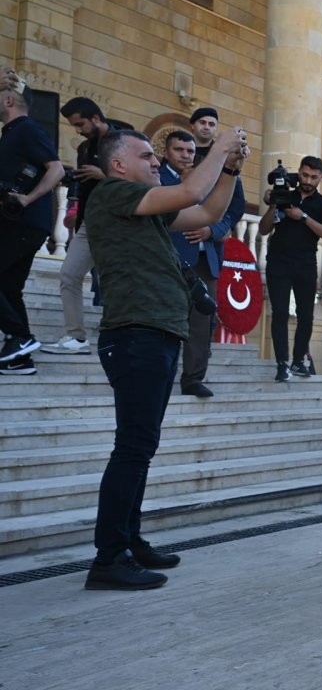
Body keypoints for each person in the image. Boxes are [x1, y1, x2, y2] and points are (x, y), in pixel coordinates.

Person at [82, 126, 246, 590]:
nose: (156, 162)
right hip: (135, 335)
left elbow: (209, 208)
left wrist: (231, 167)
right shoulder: (112, 193)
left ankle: (129, 540)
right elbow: (193, 187)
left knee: (140, 447)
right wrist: (220, 147)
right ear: (118, 165)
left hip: (153, 335)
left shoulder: (145, 210)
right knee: (132, 448)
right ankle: (108, 558)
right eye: (147, 156)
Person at [163, 125, 245, 398]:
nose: (185, 156)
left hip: (203, 261)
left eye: (190, 151)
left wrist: (212, 230)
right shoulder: (157, 178)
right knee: (167, 320)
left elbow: (228, 214)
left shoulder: (208, 178)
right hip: (168, 261)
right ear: (166, 152)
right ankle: (162, 374)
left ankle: (193, 378)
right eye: (179, 150)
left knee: (201, 323)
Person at [43, 98, 130, 356]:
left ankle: (122, 338)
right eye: (74, 125)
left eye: (80, 124)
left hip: (120, 223)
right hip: (89, 222)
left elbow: (140, 181)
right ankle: (76, 337)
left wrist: (103, 176)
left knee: (117, 283)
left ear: (95, 118)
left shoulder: (125, 140)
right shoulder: (84, 148)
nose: (78, 129)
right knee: (69, 274)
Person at [0, 84, 64, 373]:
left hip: (23, 223)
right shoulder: (12, 133)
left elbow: (57, 169)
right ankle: (20, 358)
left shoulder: (27, 129)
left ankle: (22, 338)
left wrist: (27, 198)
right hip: (21, 224)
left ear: (9, 100)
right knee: (9, 289)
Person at [258, 156, 322, 381]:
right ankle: (282, 363)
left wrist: (302, 217)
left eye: (313, 177)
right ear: (298, 173)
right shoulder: (285, 195)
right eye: (304, 175)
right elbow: (263, 230)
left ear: (321, 177)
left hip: (306, 264)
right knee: (280, 313)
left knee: (306, 316)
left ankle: (298, 360)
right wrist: (273, 206)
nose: (308, 180)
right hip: (278, 262)